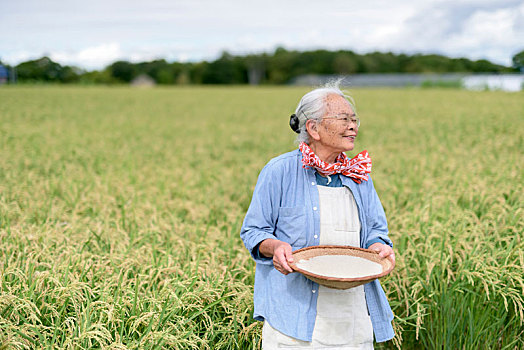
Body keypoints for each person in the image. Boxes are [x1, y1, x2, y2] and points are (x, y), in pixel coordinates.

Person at [240, 82, 396, 349]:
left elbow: (376, 231)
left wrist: (379, 247)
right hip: (293, 318)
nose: (353, 126)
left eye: (354, 119)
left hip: (352, 315)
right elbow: (254, 231)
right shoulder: (280, 171)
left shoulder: (359, 176)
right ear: (313, 128)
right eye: (344, 119)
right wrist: (275, 247)